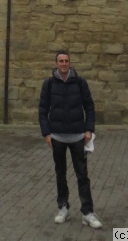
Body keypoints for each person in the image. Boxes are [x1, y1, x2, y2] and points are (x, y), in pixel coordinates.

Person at [38, 50, 102, 229]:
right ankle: (63, 207)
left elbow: (89, 106)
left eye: (66, 61)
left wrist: (89, 129)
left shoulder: (80, 82)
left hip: (77, 136)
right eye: (61, 61)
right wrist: (46, 133)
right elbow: (43, 110)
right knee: (61, 173)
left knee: (82, 175)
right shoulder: (49, 84)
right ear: (56, 63)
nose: (64, 64)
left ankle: (87, 212)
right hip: (57, 136)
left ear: (69, 63)